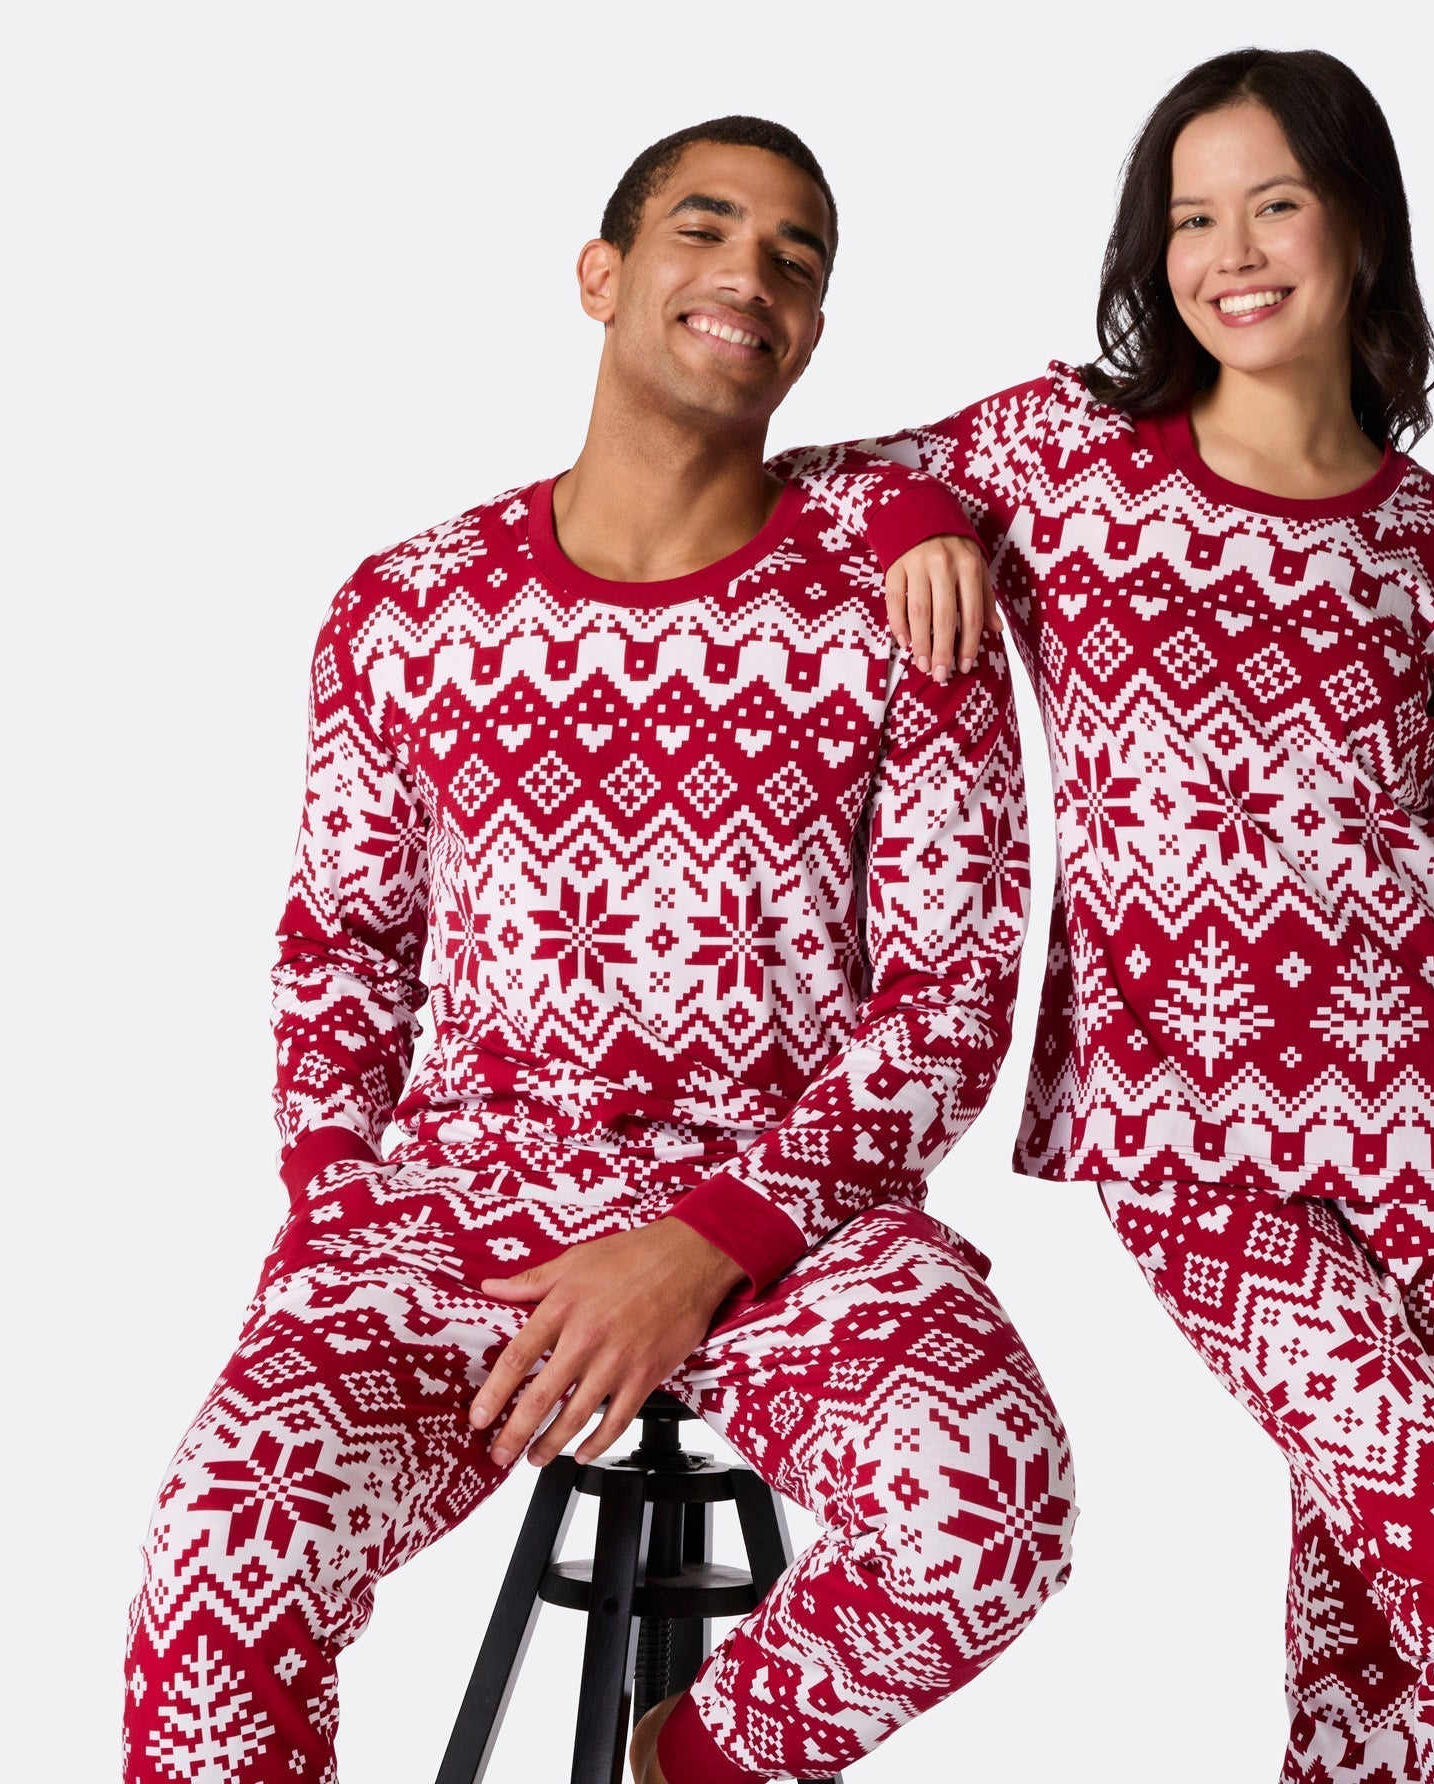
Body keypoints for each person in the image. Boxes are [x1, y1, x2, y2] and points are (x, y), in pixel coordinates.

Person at [121, 115, 1074, 1784]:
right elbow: (343, 947)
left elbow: (949, 1004)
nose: (750, 274)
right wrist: (338, 1215)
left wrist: (703, 1244)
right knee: (217, 1558)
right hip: (458, 1208)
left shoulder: (903, 608)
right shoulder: (407, 607)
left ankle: (685, 1765)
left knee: (986, 1499)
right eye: (707, 230)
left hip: (793, 1212)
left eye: (796, 258)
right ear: (602, 275)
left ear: (815, 332)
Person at [791, 49, 1434, 1783]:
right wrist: (925, 520)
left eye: (1276, 204)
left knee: (1372, 1628)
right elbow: (830, 473)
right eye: (1192, 218)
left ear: (1360, 228)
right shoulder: (1070, 455)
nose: (1231, 253)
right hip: (1186, 1125)